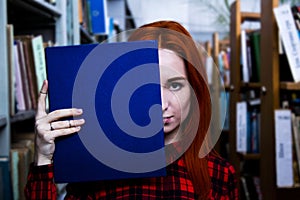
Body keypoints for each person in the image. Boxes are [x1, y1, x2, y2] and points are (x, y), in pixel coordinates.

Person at [25, 20, 238, 200]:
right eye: (147, 84)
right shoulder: (97, 165)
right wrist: (43, 160)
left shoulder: (219, 173)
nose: (161, 104)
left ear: (194, 90)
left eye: (175, 85)